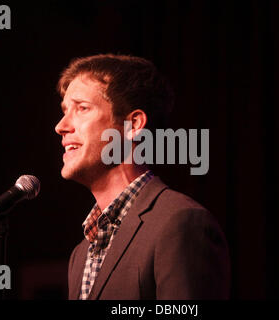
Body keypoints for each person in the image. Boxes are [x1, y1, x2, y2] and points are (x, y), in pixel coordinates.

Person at [55, 54, 230, 300]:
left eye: (82, 108)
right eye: (65, 111)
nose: (61, 126)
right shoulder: (80, 254)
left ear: (133, 125)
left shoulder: (180, 223)